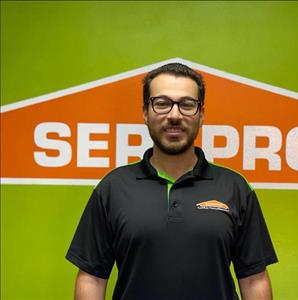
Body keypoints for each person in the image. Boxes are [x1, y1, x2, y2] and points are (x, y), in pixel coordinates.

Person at [66, 63, 278, 300]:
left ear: (201, 114)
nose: (174, 115)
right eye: (162, 103)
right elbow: (92, 277)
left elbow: (254, 279)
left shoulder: (235, 188)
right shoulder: (113, 188)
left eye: (187, 105)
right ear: (145, 112)